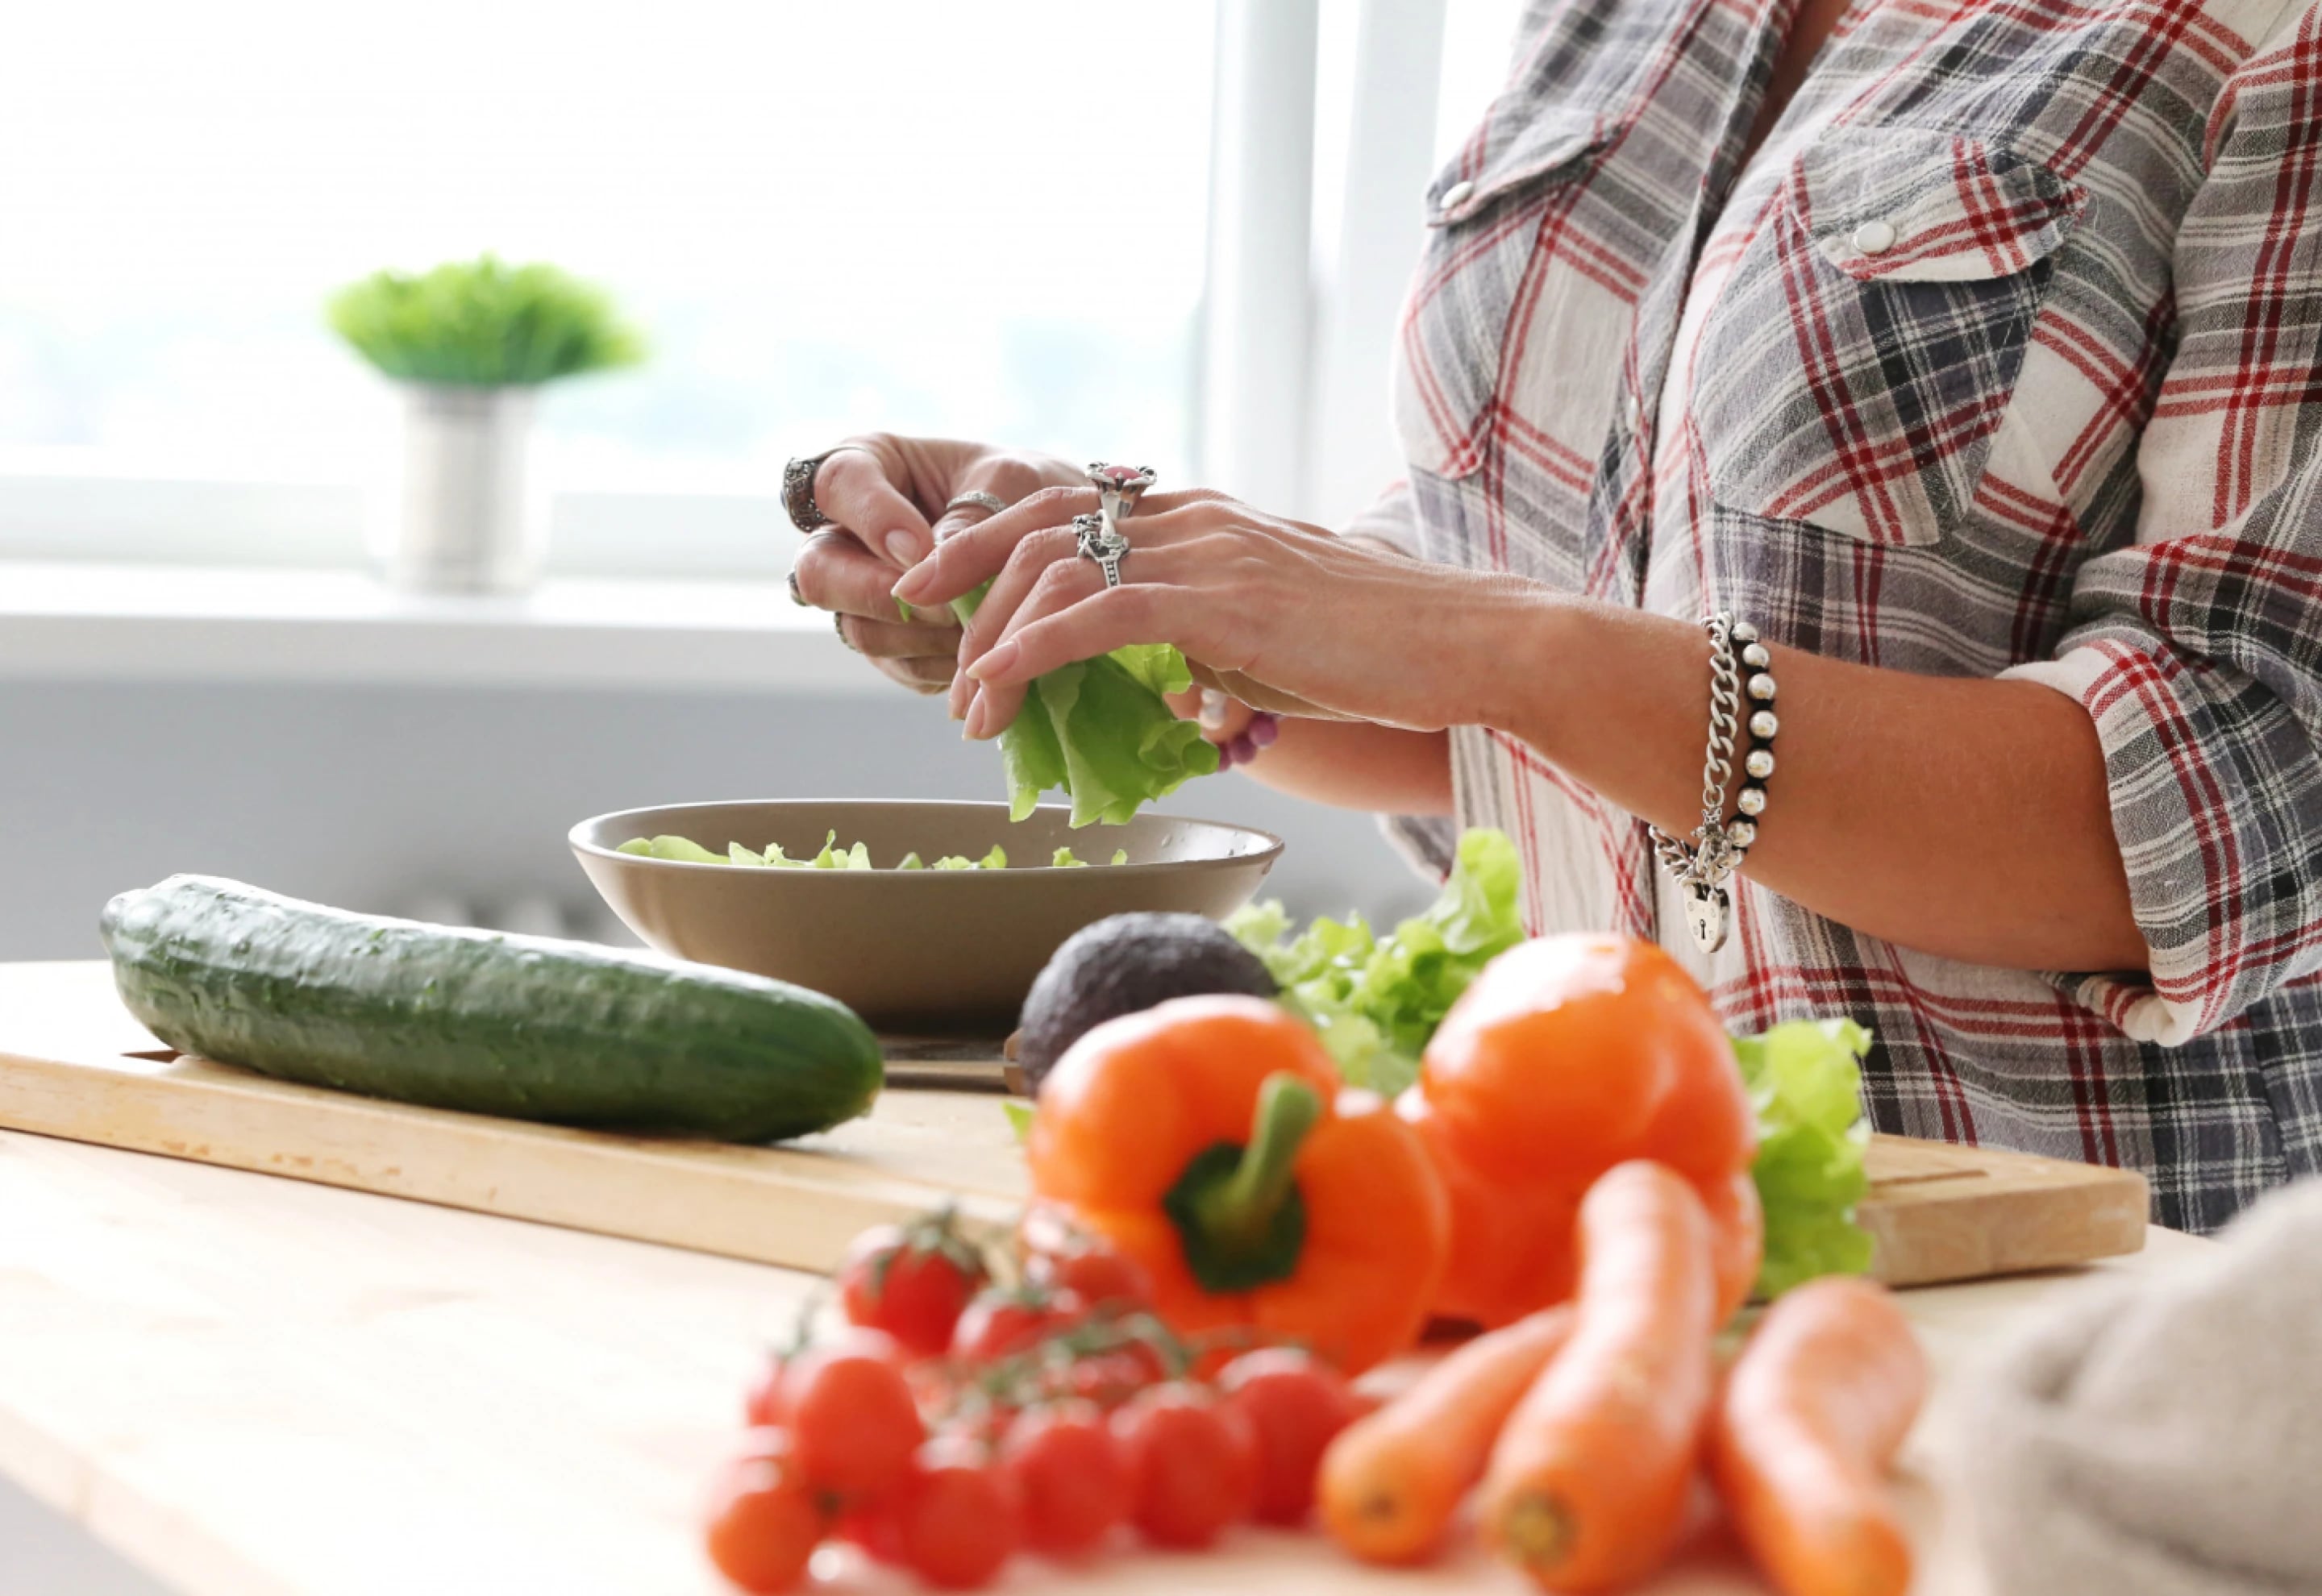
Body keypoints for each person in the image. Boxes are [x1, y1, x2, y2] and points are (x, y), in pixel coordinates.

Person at [784, 0, 2322, 1233]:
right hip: (1568, 1217)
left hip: (2046, 1287)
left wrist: (1499, 645)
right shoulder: (1611, 22)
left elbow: (2237, 806)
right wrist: (1124, 577)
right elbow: (1513, 598)